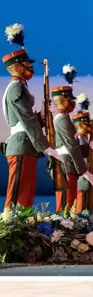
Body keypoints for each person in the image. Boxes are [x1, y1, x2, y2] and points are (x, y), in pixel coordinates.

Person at [2, 23, 62, 208]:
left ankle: (21, 230)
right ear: (16, 67)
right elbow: (27, 121)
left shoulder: (20, 87)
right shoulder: (17, 88)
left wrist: (43, 113)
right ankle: (11, 231)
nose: (30, 66)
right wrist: (46, 146)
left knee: (25, 195)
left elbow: (30, 119)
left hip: (26, 145)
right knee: (17, 196)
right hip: (21, 144)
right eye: (27, 63)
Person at [51, 65, 93, 211]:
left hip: (69, 163)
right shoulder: (62, 119)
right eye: (70, 99)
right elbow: (71, 145)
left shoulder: (65, 118)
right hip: (66, 164)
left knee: (70, 204)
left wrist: (89, 147)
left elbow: (73, 145)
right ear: (61, 100)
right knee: (65, 205)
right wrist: (84, 171)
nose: (73, 102)